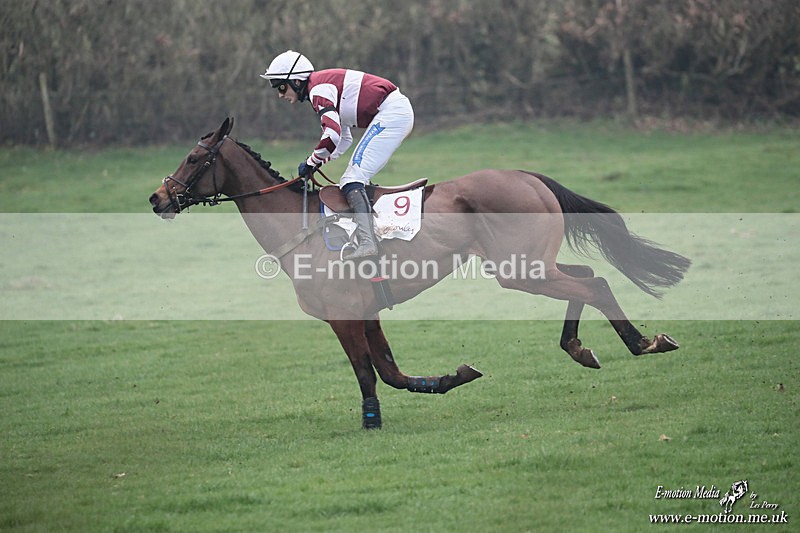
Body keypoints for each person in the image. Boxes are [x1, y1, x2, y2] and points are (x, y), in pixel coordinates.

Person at [261, 50, 414, 259]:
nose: (280, 94)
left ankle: (368, 243)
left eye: (281, 86)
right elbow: (344, 138)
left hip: (392, 113)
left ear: (296, 81)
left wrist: (311, 161)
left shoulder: (318, 90)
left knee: (352, 179)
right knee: (352, 178)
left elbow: (332, 134)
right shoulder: (320, 87)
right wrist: (319, 161)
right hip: (393, 111)